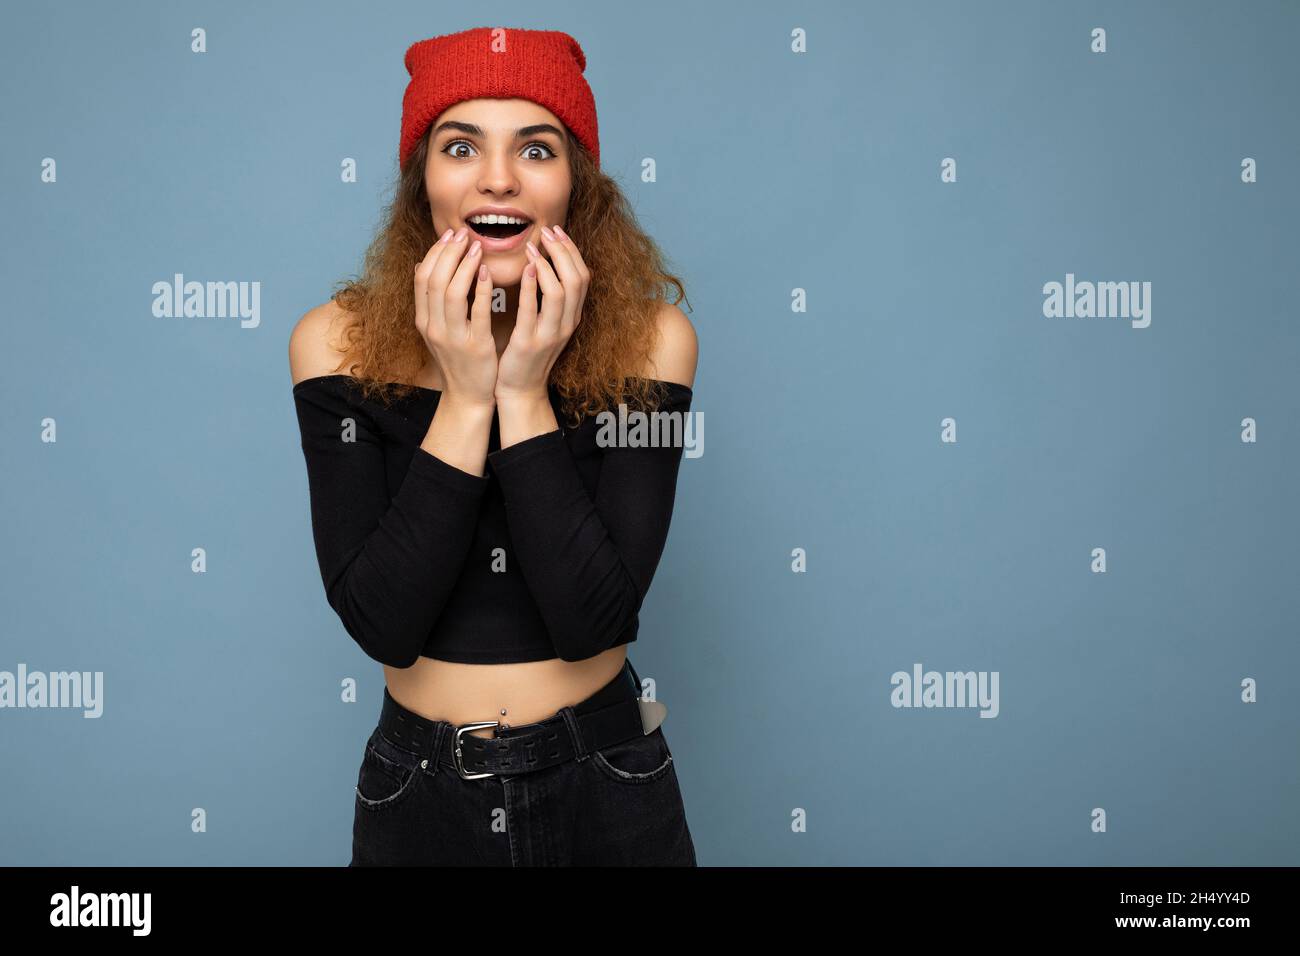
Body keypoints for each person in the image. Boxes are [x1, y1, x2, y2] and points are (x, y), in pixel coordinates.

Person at [287, 26, 699, 866]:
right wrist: (467, 393)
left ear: (577, 187)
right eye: (461, 145)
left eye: (536, 148)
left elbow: (595, 622)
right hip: (422, 793)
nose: (498, 178)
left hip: (607, 782)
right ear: (423, 182)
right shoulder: (334, 344)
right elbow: (383, 624)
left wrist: (520, 390)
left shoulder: (654, 341)